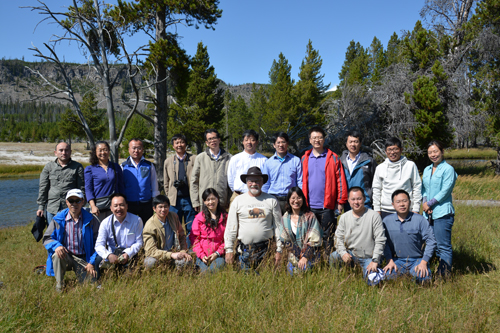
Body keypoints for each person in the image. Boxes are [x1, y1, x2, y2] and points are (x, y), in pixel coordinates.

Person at [224, 167, 282, 272]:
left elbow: (278, 227)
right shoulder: (238, 201)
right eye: (251, 181)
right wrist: (228, 250)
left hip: (266, 251)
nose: (254, 184)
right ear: (246, 182)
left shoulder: (271, 200)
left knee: (266, 282)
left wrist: (279, 250)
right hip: (244, 251)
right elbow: (230, 228)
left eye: (257, 181)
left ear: (262, 182)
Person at [301, 126, 348, 252]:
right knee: (310, 235)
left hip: (327, 206)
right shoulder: (305, 158)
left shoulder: (333, 157)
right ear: (310, 140)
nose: (317, 140)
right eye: (314, 138)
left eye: (320, 137)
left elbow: (340, 181)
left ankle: (327, 261)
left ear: (324, 139)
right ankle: (312, 260)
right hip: (309, 205)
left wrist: (341, 201)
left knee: (328, 236)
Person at [42, 189, 100, 292]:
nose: (74, 204)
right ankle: (59, 286)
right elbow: (47, 238)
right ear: (67, 202)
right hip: (66, 256)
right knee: (56, 255)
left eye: (77, 200)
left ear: (82, 201)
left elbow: (100, 244)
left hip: (84, 258)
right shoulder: (58, 219)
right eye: (71, 200)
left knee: (91, 288)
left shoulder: (91, 219)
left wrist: (91, 262)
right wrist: (57, 246)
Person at [329, 187, 386, 285]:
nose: (356, 202)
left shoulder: (374, 216)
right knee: (334, 256)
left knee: (373, 283)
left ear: (364, 198)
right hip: (351, 255)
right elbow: (338, 238)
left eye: (359, 199)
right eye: (353, 199)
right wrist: (343, 253)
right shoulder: (344, 217)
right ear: (348, 200)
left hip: (369, 258)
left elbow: (380, 240)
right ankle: (337, 280)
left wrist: (375, 260)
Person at [382, 190, 436, 284]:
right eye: (398, 202)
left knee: (423, 279)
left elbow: (431, 241)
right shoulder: (386, 221)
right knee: (385, 278)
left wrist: (424, 262)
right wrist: (389, 260)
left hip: (417, 260)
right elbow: (383, 243)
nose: (402, 204)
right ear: (393, 204)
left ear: (410, 202)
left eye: (404, 201)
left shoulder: (420, 220)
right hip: (396, 260)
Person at [422, 140, 457, 275]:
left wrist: (430, 203)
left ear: (442, 152)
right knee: (431, 243)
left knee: (443, 246)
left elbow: (445, 191)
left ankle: (444, 274)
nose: (433, 155)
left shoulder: (448, 169)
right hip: (428, 213)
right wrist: (425, 203)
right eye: (430, 152)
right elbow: (424, 188)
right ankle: (430, 270)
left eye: (435, 151)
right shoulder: (427, 169)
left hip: (442, 212)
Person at [372, 137, 422, 219]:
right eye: (389, 150)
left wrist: (416, 208)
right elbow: (376, 189)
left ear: (401, 150)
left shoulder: (410, 165)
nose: (392, 152)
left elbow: (417, 187)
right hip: (386, 210)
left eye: (395, 149)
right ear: (385, 151)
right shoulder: (380, 168)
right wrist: (377, 209)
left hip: (406, 209)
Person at [277, 187, 322, 275]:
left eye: (299, 198)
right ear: (289, 200)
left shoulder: (310, 216)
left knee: (305, 272)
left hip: (310, 255)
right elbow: (285, 241)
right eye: (293, 198)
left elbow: (314, 241)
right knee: (291, 275)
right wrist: (299, 255)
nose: (296, 201)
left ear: (303, 199)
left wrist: (304, 257)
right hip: (293, 256)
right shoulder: (285, 218)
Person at [37, 142, 85, 223]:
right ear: (55, 153)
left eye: (66, 150)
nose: (64, 153)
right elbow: (43, 187)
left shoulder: (78, 167)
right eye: (61, 150)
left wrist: (81, 205)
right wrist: (41, 207)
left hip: (71, 207)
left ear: (70, 152)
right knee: (52, 234)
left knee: (70, 233)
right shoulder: (49, 167)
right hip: (52, 207)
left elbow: (82, 188)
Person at [95, 193, 144, 270]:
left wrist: (128, 253)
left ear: (127, 206)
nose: (119, 208)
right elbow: (99, 245)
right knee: (97, 260)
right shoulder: (105, 223)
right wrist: (108, 255)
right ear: (111, 208)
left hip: (131, 255)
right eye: (115, 206)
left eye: (121, 205)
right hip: (112, 257)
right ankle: (97, 281)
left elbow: (139, 242)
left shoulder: (137, 220)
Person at [164, 133, 197, 245]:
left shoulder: (194, 159)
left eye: (182, 142)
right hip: (174, 200)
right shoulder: (168, 161)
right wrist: (169, 197)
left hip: (190, 199)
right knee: (174, 227)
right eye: (177, 142)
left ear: (186, 144)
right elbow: (166, 182)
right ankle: (175, 249)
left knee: (191, 226)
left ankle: (189, 249)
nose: (179, 145)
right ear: (173, 145)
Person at [143, 195, 192, 269]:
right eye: (160, 207)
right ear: (154, 209)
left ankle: (178, 276)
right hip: (159, 256)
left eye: (165, 206)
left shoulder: (173, 216)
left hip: (175, 253)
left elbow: (182, 236)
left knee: (187, 261)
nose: (163, 209)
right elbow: (151, 251)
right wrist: (171, 254)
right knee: (149, 262)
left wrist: (183, 251)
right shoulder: (150, 225)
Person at [190, 129, 232, 211]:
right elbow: (194, 181)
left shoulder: (229, 158)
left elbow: (231, 182)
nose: (212, 141)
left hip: (222, 201)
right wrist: (195, 202)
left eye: (214, 138)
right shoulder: (200, 158)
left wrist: (229, 200)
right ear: (206, 142)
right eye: (209, 139)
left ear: (219, 140)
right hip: (205, 202)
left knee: (222, 223)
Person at [262, 132, 303, 214]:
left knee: (290, 224)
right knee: (274, 225)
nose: (281, 145)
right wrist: (264, 201)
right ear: (274, 145)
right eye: (278, 142)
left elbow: (300, 181)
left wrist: (300, 199)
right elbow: (265, 183)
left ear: (287, 143)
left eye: (283, 142)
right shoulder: (268, 163)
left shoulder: (296, 160)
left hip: (291, 199)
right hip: (273, 198)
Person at [121, 139, 160, 224]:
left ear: (142, 149)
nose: (136, 151)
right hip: (129, 203)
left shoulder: (149, 165)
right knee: (130, 226)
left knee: (147, 226)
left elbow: (154, 184)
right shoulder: (124, 166)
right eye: (133, 148)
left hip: (146, 202)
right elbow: (121, 185)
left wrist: (155, 201)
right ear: (129, 149)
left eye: (139, 148)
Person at [84, 141, 125, 221]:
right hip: (98, 207)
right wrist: (93, 206)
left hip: (114, 206)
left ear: (109, 151)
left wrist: (123, 203)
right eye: (100, 150)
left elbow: (121, 186)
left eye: (105, 149)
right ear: (95, 152)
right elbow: (88, 189)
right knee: (99, 231)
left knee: (114, 230)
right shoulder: (90, 169)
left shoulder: (116, 167)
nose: (103, 152)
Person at [189, 188, 227, 273]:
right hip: (203, 256)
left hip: (218, 255)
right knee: (204, 271)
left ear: (218, 199)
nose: (210, 202)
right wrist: (202, 255)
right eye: (208, 200)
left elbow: (228, 238)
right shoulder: (199, 218)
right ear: (204, 201)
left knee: (216, 268)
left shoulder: (226, 217)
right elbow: (194, 239)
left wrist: (217, 253)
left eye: (213, 199)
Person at [227, 130, 267, 204]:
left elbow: (265, 180)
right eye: (246, 140)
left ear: (257, 142)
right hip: (238, 196)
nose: (249, 142)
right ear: (243, 142)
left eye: (252, 140)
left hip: (258, 197)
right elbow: (230, 179)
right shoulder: (235, 158)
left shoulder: (264, 160)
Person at [340, 131, 377, 210]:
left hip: (365, 202)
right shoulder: (340, 162)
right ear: (346, 144)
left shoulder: (369, 161)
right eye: (350, 142)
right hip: (348, 203)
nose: (353, 144)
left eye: (356, 142)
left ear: (360, 144)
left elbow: (376, 182)